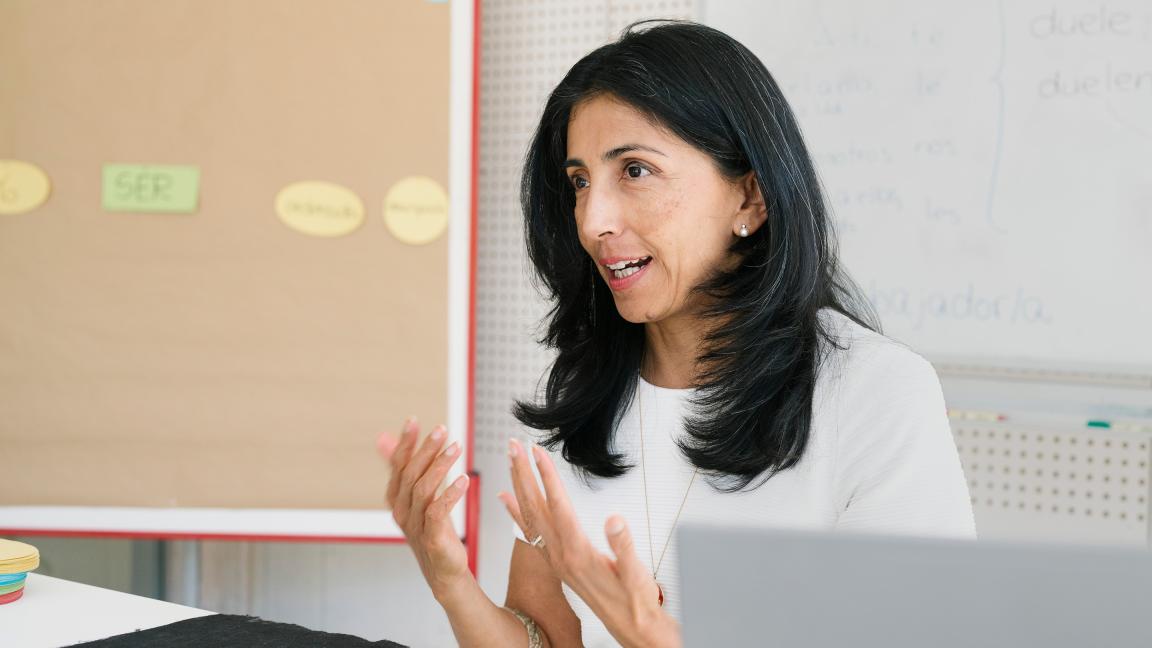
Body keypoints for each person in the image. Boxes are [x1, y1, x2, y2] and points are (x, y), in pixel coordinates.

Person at [376, 19, 975, 648]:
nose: (593, 221)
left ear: (751, 198)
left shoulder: (877, 393)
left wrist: (645, 631)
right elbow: (544, 638)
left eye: (634, 171)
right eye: (580, 181)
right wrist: (450, 580)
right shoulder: (583, 389)